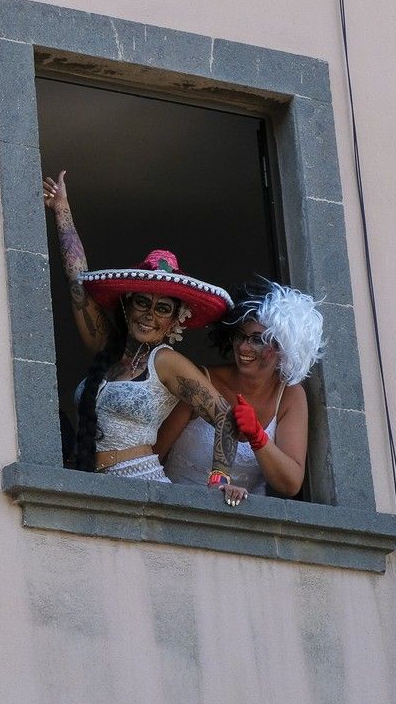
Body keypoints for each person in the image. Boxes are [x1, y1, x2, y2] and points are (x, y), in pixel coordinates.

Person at [43, 170, 251, 506]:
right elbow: (78, 283)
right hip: (92, 488)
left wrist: (219, 480)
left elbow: (225, 416)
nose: (149, 314)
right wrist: (62, 209)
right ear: (127, 305)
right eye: (142, 302)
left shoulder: (165, 362)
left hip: (143, 488)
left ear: (174, 321)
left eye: (162, 309)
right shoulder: (106, 348)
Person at [157, 279, 324, 498]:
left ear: (283, 346)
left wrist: (257, 436)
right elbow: (156, 453)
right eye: (240, 336)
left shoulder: (290, 396)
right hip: (176, 507)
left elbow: (290, 484)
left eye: (256, 340)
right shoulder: (202, 380)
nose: (243, 347)